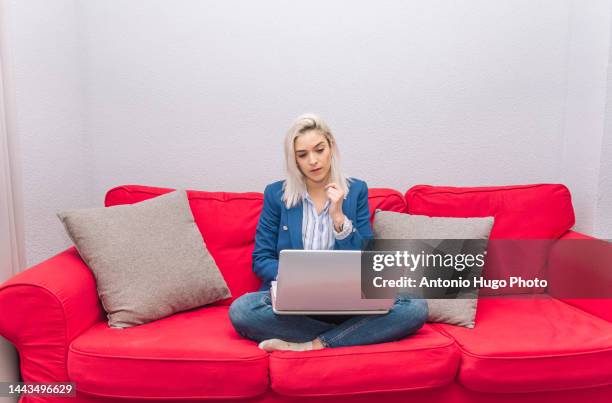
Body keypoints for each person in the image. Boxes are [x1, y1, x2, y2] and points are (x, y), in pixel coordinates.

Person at [229, 113, 428, 352]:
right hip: (295, 304)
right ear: (294, 160)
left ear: (331, 146)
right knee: (242, 310)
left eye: (319, 150)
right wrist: (300, 278)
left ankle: (312, 344)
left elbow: (366, 262)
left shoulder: (356, 191)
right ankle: (354, 334)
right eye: (302, 155)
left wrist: (338, 218)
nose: (313, 161)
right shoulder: (276, 195)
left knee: (415, 306)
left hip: (346, 303)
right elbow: (261, 259)